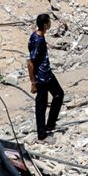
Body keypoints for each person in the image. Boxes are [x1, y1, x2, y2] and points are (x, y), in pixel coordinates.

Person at [28, 13, 65, 141]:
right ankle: (42, 134)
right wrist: (33, 82)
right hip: (41, 78)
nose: (50, 24)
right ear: (45, 25)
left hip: (47, 74)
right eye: (49, 22)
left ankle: (50, 124)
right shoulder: (38, 40)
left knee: (59, 94)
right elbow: (30, 62)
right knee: (41, 105)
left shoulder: (39, 37)